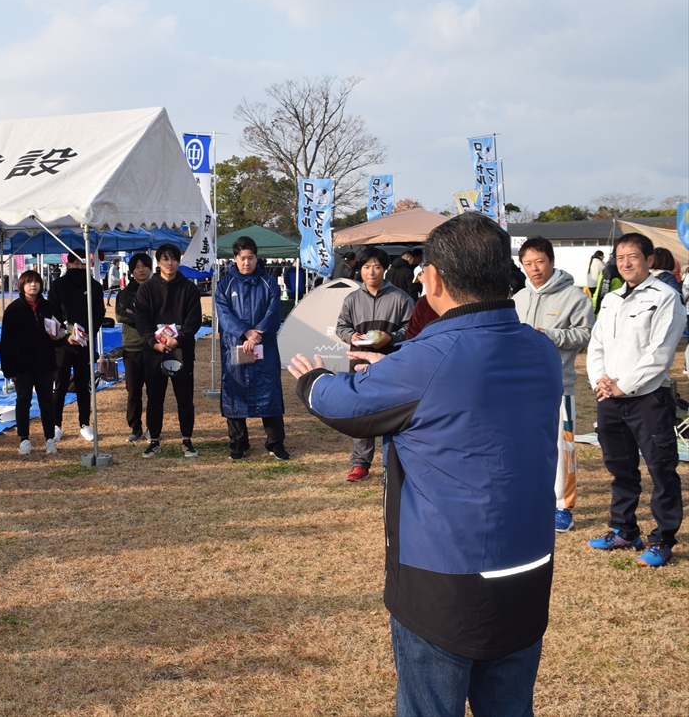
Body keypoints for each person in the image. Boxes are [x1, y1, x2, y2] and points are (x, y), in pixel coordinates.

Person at [289, 212, 562, 716]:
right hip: (528, 566)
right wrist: (397, 369)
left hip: (444, 577)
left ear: (433, 279)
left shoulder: (428, 358)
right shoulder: (540, 349)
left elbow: (346, 405)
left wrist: (311, 381)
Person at [585, 233, 686, 568]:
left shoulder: (666, 297)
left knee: (661, 469)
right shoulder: (612, 299)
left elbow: (660, 352)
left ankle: (663, 540)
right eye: (620, 257)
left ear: (649, 260)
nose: (626, 263)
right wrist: (600, 382)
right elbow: (596, 344)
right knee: (620, 468)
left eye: (633, 256)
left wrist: (624, 386)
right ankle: (624, 530)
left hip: (648, 398)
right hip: (609, 398)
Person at [513, 237, 595, 533]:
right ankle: (533, 499)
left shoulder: (574, 296)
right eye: (528, 263)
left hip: (559, 385)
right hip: (521, 388)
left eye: (540, 261)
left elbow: (588, 334)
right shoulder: (518, 298)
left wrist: (551, 335)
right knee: (525, 445)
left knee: (563, 446)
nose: (534, 268)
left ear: (552, 261)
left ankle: (563, 507)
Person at [335, 247, 414, 482]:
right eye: (367, 267)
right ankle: (360, 464)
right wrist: (351, 336)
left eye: (377, 267)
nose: (371, 272)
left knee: (394, 412)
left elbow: (412, 328)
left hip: (392, 362)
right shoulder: (352, 299)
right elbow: (341, 326)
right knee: (362, 411)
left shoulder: (400, 298)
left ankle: (394, 463)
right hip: (360, 363)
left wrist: (391, 338)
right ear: (360, 269)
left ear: (385, 269)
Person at [215, 237, 289, 462]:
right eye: (242, 258)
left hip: (264, 345)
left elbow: (273, 312)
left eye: (251, 258)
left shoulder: (269, 282)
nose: (246, 262)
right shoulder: (225, 284)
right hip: (235, 344)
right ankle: (239, 442)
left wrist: (257, 334)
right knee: (235, 392)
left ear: (257, 258)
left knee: (270, 392)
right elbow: (224, 314)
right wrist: (244, 332)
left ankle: (275, 442)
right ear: (235, 259)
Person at [134, 243, 202, 458]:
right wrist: (153, 342)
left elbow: (194, 320)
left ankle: (187, 440)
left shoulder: (189, 288)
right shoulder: (147, 289)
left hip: (182, 350)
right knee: (155, 398)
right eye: (165, 259)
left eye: (174, 259)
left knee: (185, 398)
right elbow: (141, 321)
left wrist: (178, 339)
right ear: (158, 261)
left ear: (179, 261)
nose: (170, 263)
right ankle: (154, 440)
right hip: (154, 351)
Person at [0, 269, 60, 456]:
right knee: (23, 402)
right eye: (28, 282)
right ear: (21, 285)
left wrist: (58, 336)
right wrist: (9, 369)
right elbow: (7, 342)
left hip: (46, 364)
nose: (33, 285)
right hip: (22, 366)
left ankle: (50, 439)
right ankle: (24, 439)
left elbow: (59, 332)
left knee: (47, 402)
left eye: (36, 281)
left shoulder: (49, 307)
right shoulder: (13, 310)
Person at [48, 251, 106, 442]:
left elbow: (99, 313)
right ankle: (56, 424)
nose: (79, 268)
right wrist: (67, 335)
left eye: (83, 264)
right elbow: (53, 314)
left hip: (85, 343)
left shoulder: (94, 286)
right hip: (63, 344)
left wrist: (88, 333)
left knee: (83, 385)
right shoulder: (58, 285)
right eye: (76, 264)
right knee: (60, 384)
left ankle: (84, 424)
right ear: (68, 264)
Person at [114, 253, 153, 443]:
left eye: (144, 265)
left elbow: (161, 314)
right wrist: (144, 317)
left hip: (153, 346)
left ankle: (153, 428)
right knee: (133, 391)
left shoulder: (157, 290)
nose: (141, 269)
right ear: (131, 271)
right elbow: (121, 315)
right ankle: (135, 427)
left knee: (154, 391)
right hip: (132, 348)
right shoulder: (125, 293)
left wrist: (134, 314)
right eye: (137, 267)